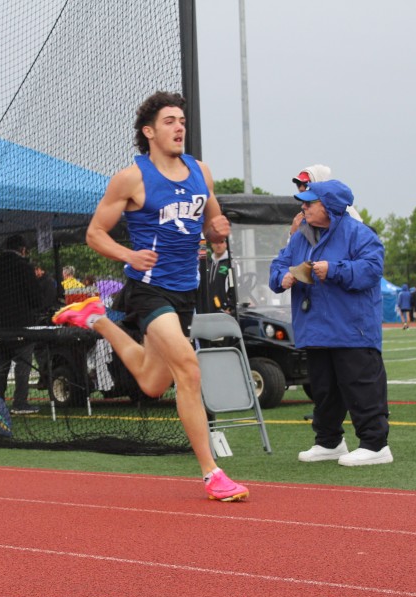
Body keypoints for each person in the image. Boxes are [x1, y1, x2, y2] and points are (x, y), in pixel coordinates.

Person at [51, 91, 249, 501]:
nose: (179, 128)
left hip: (185, 291)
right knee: (188, 368)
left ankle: (96, 318)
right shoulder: (132, 178)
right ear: (149, 132)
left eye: (182, 121)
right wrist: (129, 255)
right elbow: (95, 234)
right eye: (169, 121)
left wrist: (216, 232)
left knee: (153, 382)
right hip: (147, 289)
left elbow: (212, 223)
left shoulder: (200, 172)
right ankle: (212, 473)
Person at [269, 180, 392, 466]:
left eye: (310, 202)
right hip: (315, 328)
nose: (303, 207)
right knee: (323, 389)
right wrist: (281, 277)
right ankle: (329, 441)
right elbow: (279, 264)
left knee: (361, 386)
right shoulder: (300, 236)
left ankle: (376, 445)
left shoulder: (359, 233)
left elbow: (372, 269)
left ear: (330, 206)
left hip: (353, 329)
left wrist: (333, 269)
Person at [0, 235, 41, 414]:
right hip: (21, 323)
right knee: (23, 362)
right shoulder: (24, 267)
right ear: (22, 249)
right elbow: (36, 298)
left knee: (2, 360)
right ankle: (20, 402)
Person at [289, 164, 363, 237]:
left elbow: (360, 234)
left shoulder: (344, 209)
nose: (301, 188)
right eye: (299, 184)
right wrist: (293, 234)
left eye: (306, 184)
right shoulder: (302, 216)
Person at [200, 238, 236, 314]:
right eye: (215, 242)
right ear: (212, 245)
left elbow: (235, 286)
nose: (218, 245)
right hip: (207, 310)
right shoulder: (207, 264)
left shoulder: (231, 264)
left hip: (224, 311)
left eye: (221, 242)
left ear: (226, 244)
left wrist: (230, 307)